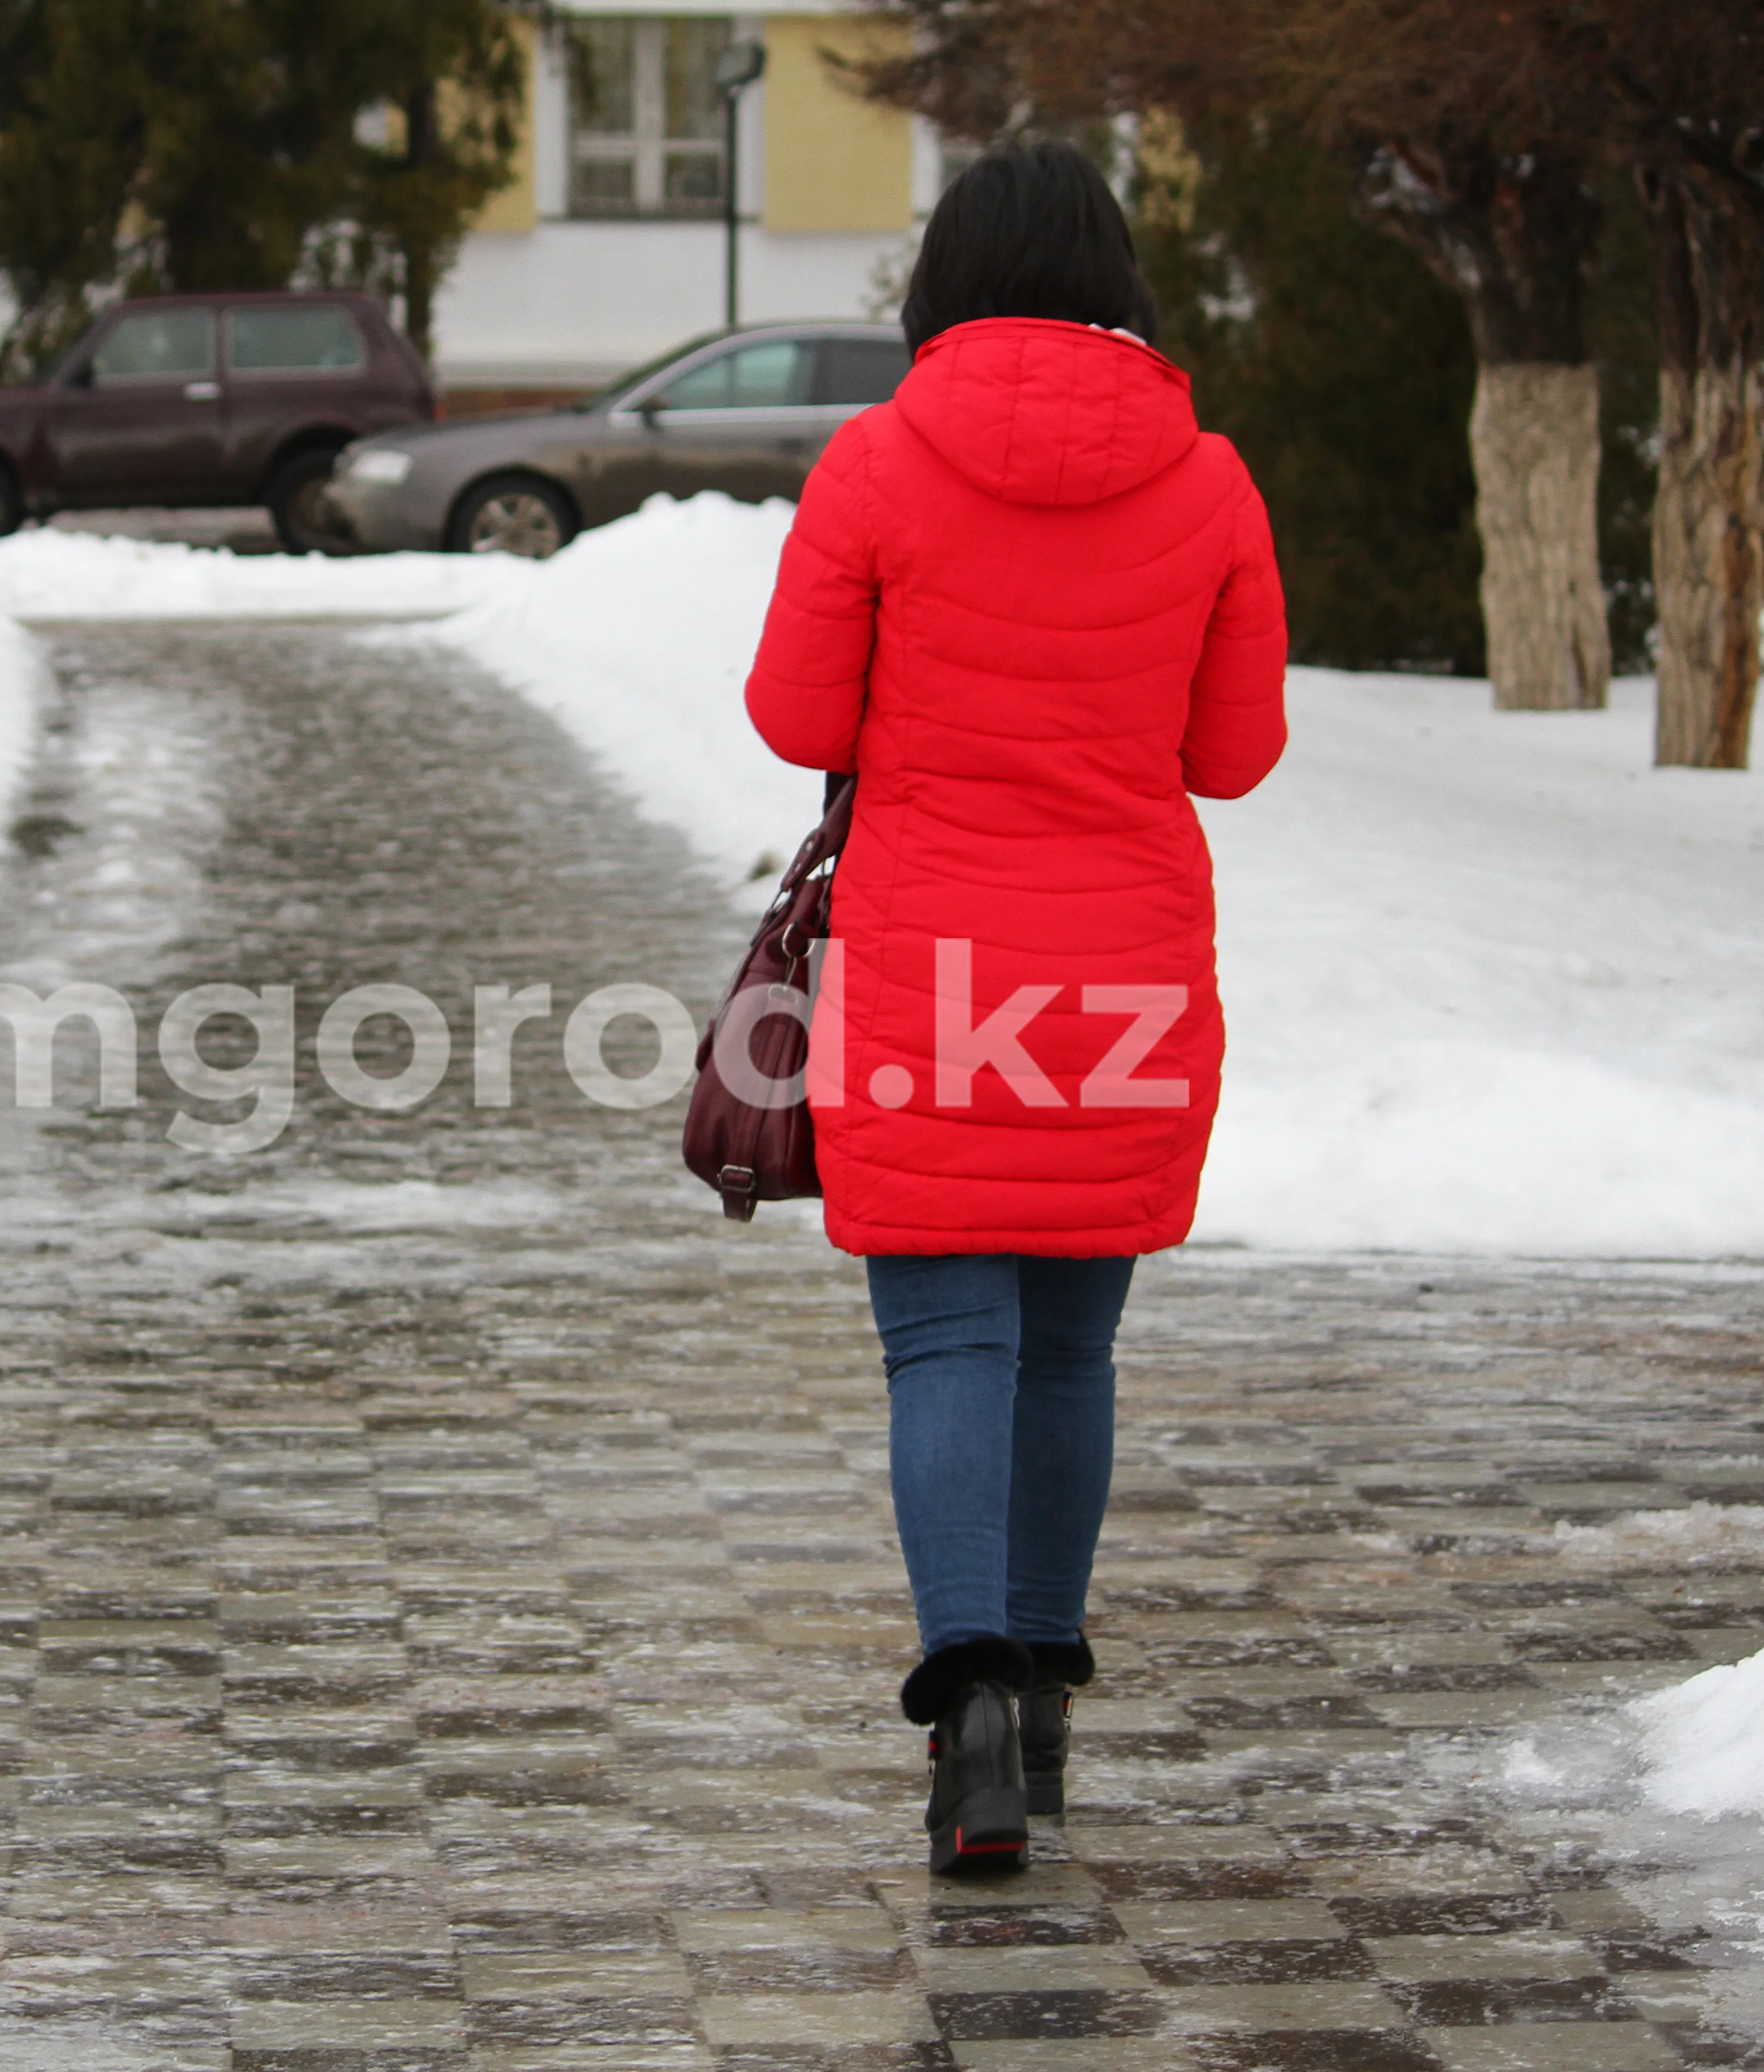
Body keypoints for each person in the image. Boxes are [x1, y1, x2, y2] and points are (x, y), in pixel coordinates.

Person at [743, 140, 1288, 1875]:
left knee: (949, 1343)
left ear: (942, 281)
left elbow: (789, 710)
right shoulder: (1210, 482)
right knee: (1072, 1346)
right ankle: (1043, 1701)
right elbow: (1235, 752)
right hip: (1119, 969)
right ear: (1121, 279)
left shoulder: (877, 462)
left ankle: (965, 1704)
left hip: (931, 971)